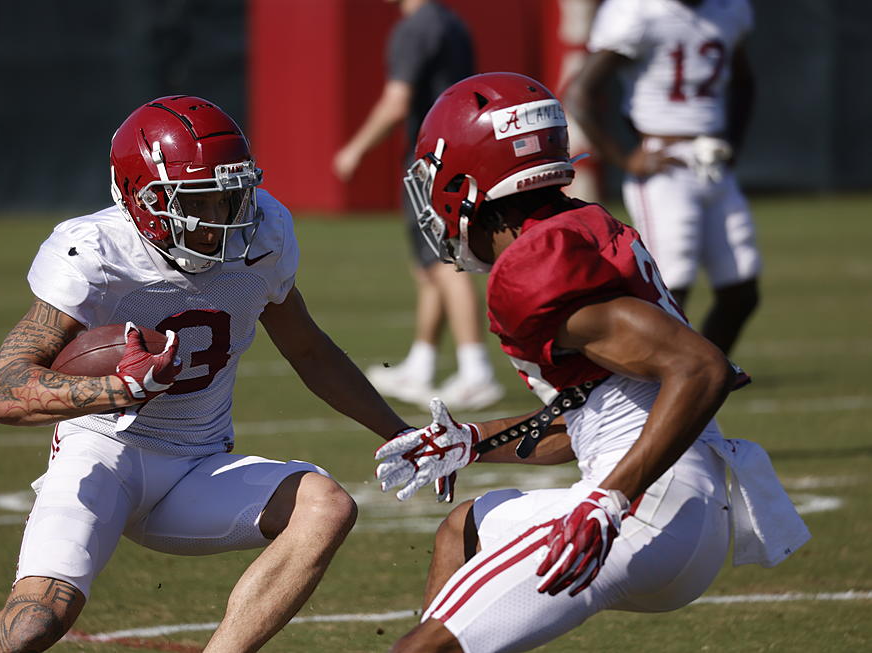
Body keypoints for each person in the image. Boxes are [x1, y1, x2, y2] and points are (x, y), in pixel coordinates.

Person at [0, 95, 413, 653]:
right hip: (101, 454)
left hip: (198, 463)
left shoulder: (260, 236)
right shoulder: (95, 249)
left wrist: (397, 432)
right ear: (143, 200)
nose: (223, 217)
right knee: (31, 627)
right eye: (201, 200)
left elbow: (309, 350)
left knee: (327, 506)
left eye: (230, 193)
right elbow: (4, 390)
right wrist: (118, 388)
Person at [374, 73, 809, 653]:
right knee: (466, 527)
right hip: (680, 505)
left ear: (466, 181)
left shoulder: (532, 266)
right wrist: (474, 441)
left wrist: (610, 498)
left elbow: (701, 368)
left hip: (648, 510)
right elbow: (599, 413)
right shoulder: (572, 232)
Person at [333, 0, 503, 410]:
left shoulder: (416, 27)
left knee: (446, 264)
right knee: (429, 265)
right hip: (457, 156)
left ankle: (476, 370)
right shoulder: (453, 24)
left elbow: (396, 102)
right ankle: (422, 363)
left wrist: (354, 150)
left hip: (433, 162)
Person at [565, 0, 759, 356]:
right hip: (663, 165)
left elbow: (745, 82)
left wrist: (732, 143)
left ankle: (707, 375)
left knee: (741, 288)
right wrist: (624, 158)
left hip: (713, 163)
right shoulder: (639, 12)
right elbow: (579, 94)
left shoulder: (728, 8)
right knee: (671, 285)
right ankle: (657, 381)